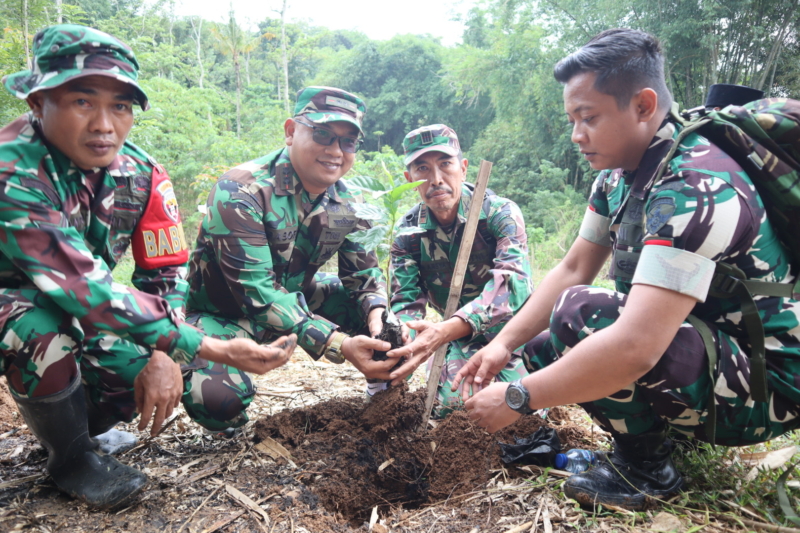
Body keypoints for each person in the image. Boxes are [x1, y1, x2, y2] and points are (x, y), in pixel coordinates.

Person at [454, 28, 800, 510]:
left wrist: (518, 398)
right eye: (572, 118)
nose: (577, 134)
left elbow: (636, 346)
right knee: (545, 344)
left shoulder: (694, 186)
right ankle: (664, 431)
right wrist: (501, 345)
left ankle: (647, 470)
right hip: (708, 347)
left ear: (642, 105)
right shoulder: (619, 175)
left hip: (766, 386)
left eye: (588, 117)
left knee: (582, 317)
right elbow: (575, 266)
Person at [0, 24, 296, 509]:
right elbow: (84, 290)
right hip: (22, 308)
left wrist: (165, 355)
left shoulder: (141, 174)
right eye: (82, 101)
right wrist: (209, 345)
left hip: (79, 311)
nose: (104, 124)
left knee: (214, 392)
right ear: (38, 103)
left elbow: (164, 273)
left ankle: (80, 421)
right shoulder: (12, 170)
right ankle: (71, 458)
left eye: (120, 106)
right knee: (33, 323)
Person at [186, 87, 397, 384]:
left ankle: (382, 393)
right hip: (224, 311)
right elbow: (258, 293)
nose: (336, 151)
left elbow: (364, 276)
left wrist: (377, 316)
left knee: (384, 322)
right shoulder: (240, 192)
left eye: (348, 141)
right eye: (322, 134)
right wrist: (339, 344)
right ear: (290, 131)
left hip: (296, 296)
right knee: (221, 400)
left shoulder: (350, 204)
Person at [379, 124, 532, 410]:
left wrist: (444, 331)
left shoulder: (499, 214)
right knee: (459, 405)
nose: (436, 179)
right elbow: (406, 304)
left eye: (445, 164)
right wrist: (401, 350)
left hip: (515, 332)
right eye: (422, 169)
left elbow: (512, 288)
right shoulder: (407, 233)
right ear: (408, 178)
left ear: (463, 168)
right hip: (459, 338)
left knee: (513, 405)